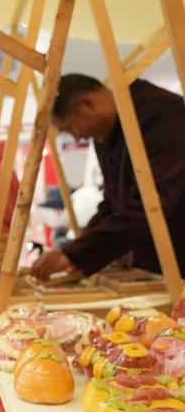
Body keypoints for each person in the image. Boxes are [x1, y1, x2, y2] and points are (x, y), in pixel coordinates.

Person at [32, 73, 185, 280]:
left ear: (87, 104)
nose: (76, 137)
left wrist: (78, 253)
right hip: (156, 265)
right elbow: (114, 203)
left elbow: (151, 203)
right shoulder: (105, 133)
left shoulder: (160, 114)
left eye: (70, 128)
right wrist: (79, 251)